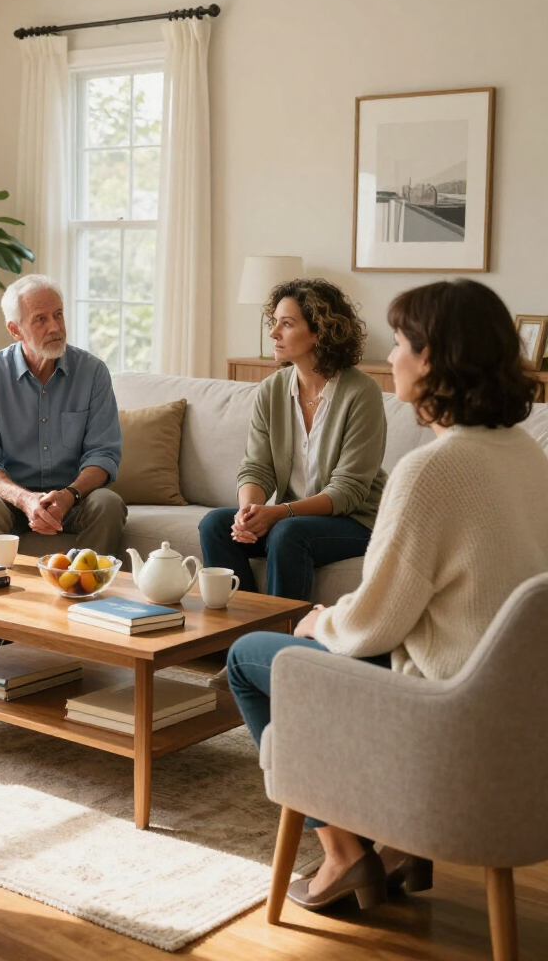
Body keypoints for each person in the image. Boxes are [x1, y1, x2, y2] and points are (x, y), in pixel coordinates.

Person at [225, 278, 548, 913]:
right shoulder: (529, 457)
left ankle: (345, 853)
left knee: (249, 658)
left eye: (402, 343)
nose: (392, 356)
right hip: (507, 705)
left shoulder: (431, 470)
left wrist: (317, 623)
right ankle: (399, 846)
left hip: (440, 706)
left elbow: (373, 625)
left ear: (433, 360)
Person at [199, 278, 386, 602]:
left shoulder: (361, 392)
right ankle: (238, 637)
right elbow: (256, 467)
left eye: (287, 324)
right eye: (275, 323)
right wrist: (249, 513)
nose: (273, 333)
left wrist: (280, 513)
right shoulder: (272, 389)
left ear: (320, 331)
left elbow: (348, 491)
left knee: (288, 533)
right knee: (216, 524)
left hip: (354, 522)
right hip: (293, 518)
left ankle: (279, 642)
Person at [0, 273, 126, 560]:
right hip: (9, 500)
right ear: (15, 330)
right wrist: (24, 499)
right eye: (41, 319)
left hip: (74, 499)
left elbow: (104, 455)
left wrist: (68, 495)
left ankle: (88, 592)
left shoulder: (93, 373)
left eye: (58, 315)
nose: (55, 327)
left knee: (108, 504)